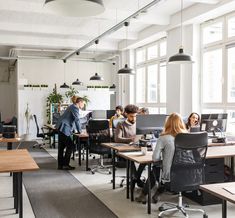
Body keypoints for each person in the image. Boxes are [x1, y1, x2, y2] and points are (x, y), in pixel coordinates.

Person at [135, 112, 188, 203]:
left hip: (169, 173)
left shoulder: (164, 138)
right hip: (186, 171)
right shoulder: (188, 137)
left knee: (156, 168)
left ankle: (143, 195)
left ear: (167, 123)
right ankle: (157, 194)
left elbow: (155, 158)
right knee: (160, 169)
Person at [115, 104, 145, 187]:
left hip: (137, 147)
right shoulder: (121, 124)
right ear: (126, 114)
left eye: (135, 116)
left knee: (146, 160)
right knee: (130, 160)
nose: (134, 119)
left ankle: (136, 178)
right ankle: (137, 180)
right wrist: (131, 139)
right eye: (131, 116)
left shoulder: (139, 124)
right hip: (125, 150)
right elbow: (117, 139)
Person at [56, 97, 85, 170]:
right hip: (64, 128)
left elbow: (72, 119)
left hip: (61, 127)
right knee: (71, 146)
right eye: (83, 103)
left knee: (61, 147)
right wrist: (80, 131)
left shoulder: (72, 107)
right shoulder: (75, 108)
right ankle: (65, 164)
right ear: (80, 102)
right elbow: (77, 120)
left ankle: (60, 165)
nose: (83, 105)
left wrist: (76, 130)